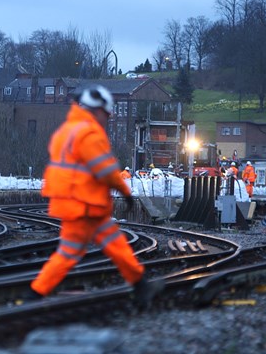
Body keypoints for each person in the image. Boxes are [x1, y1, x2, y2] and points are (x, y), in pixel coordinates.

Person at [23, 85, 164, 308]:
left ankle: (141, 286)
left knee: (114, 244)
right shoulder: (87, 132)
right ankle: (34, 295)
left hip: (78, 202)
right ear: (97, 110)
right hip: (83, 204)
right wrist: (125, 191)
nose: (107, 120)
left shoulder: (66, 130)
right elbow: (105, 168)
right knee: (69, 254)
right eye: (106, 115)